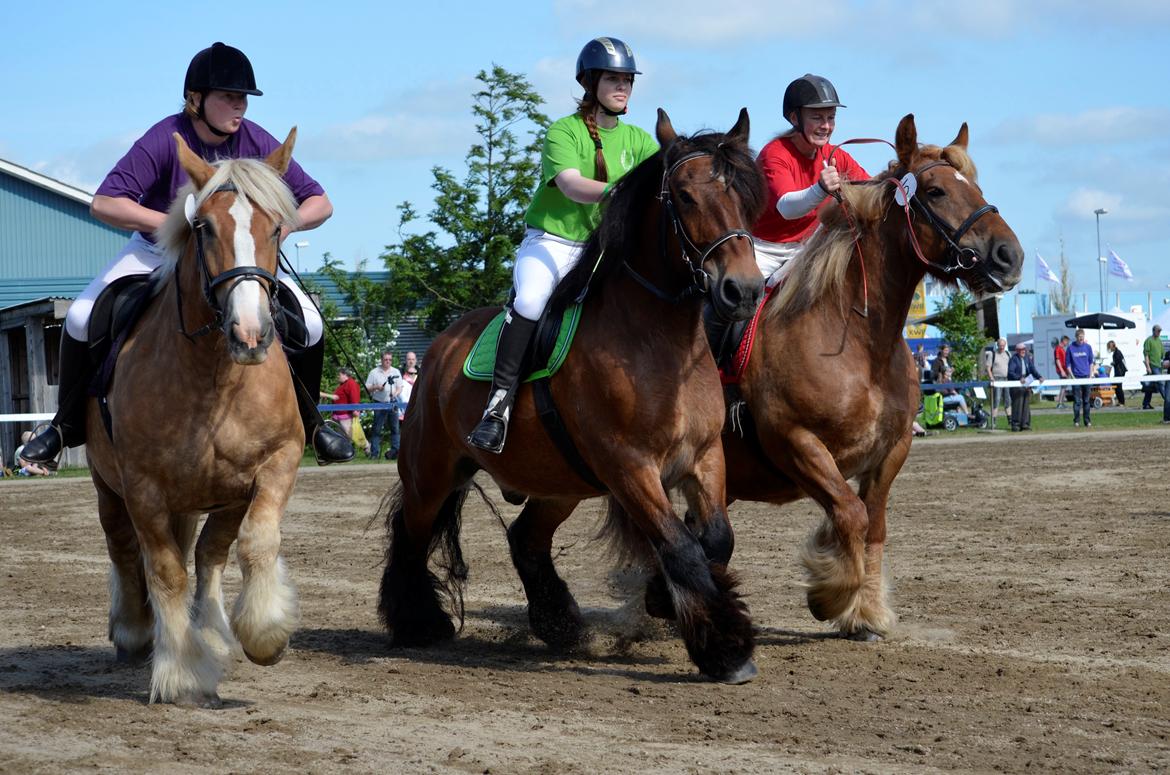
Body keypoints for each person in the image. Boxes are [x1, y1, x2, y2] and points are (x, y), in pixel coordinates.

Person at [18, 42, 352, 468]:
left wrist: (278, 229)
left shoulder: (256, 139)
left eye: (243, 97)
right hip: (159, 249)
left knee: (311, 320)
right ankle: (63, 426)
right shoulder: (165, 136)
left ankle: (313, 422)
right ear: (195, 98)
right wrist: (178, 228)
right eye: (229, 97)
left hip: (237, 256)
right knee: (82, 315)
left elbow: (320, 202)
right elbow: (105, 202)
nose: (240, 106)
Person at [467, 37, 658, 454]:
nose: (622, 86)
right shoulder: (563, 131)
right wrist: (621, 193)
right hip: (553, 244)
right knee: (531, 302)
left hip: (605, 251)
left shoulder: (642, 141)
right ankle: (497, 408)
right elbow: (572, 185)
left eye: (627, 79)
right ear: (590, 83)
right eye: (613, 78)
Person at [751, 74, 870, 281]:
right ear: (795, 118)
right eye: (817, 118)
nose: (826, 126)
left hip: (806, 248)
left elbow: (871, 188)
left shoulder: (836, 155)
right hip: (764, 251)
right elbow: (788, 209)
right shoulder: (774, 154)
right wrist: (821, 188)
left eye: (831, 117)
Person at [366, 350, 402, 460]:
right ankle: (374, 453)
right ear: (381, 360)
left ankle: (396, 452)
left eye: (390, 360)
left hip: (392, 403)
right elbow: (367, 387)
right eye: (386, 359)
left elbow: (400, 387)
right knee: (377, 428)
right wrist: (376, 387)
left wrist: (394, 394)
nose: (388, 361)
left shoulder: (395, 371)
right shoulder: (374, 372)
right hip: (379, 403)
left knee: (395, 428)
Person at [1007, 343, 1043, 431]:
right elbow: (1010, 372)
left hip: (1026, 383)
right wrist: (1019, 378)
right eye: (1021, 349)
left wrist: (1039, 377)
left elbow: (1032, 369)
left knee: (1026, 405)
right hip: (1017, 385)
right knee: (1017, 405)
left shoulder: (1027, 358)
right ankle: (1016, 425)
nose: (1023, 351)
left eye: (1024, 349)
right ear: (1017, 351)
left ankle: (1025, 424)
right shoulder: (1013, 359)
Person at [320, 367, 360, 438]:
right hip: (339, 416)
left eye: (339, 375)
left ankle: (367, 447)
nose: (338, 377)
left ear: (345, 375)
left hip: (345, 416)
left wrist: (355, 409)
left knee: (354, 436)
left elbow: (354, 396)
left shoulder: (351, 383)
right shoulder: (342, 385)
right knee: (342, 438)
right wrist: (331, 397)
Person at [1065, 328, 1094, 427]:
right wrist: (1072, 377)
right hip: (1076, 377)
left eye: (1082, 337)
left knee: (1086, 400)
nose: (1081, 338)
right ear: (1076, 337)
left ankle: (1087, 421)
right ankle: (1076, 421)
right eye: (1079, 337)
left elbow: (1091, 362)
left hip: (1086, 376)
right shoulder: (1070, 348)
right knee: (1077, 401)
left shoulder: (1088, 347)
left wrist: (1090, 375)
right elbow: (1067, 364)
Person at [983, 338, 1011, 428]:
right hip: (997, 379)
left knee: (1008, 400)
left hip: (1006, 379)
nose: (1002, 347)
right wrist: (991, 378)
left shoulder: (1008, 354)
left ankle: (1010, 421)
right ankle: (993, 422)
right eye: (1000, 345)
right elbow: (988, 368)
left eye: (1003, 345)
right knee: (996, 400)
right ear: (997, 345)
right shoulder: (992, 354)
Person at [1142, 324, 1165, 410]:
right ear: (1154, 331)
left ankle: (1146, 403)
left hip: (1159, 366)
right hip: (1152, 365)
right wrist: (1148, 366)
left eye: (1160, 331)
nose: (1159, 332)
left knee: (1150, 386)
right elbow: (1146, 355)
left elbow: (1162, 354)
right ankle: (1167, 401)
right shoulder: (1149, 340)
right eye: (1158, 331)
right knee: (1161, 383)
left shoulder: (1159, 341)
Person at [398, 351, 418, 421]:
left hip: (418, 411)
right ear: (405, 361)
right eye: (409, 359)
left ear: (416, 361)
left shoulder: (421, 374)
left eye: (413, 359)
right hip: (403, 413)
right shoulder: (400, 375)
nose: (411, 361)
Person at [1106, 340, 1127, 407]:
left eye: (1109, 347)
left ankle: (1122, 402)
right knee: (1116, 386)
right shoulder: (1116, 352)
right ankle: (1120, 401)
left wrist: (1112, 363)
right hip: (1119, 371)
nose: (1109, 349)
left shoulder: (1117, 353)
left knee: (1119, 387)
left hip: (1120, 372)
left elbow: (1117, 362)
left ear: (1113, 346)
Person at [1053, 335, 1071, 408]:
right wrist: (1062, 371)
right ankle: (1060, 403)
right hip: (1061, 370)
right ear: (1064, 341)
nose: (1067, 343)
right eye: (1067, 342)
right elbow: (1057, 360)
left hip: (1065, 370)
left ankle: (1061, 403)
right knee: (1063, 386)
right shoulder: (1058, 348)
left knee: (1064, 386)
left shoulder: (1062, 349)